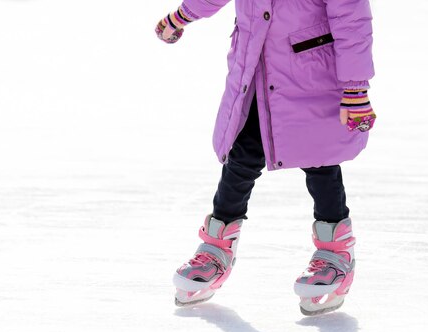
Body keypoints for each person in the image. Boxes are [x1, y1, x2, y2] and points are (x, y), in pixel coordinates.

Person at [156, 0, 376, 315]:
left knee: (320, 164)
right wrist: (182, 16)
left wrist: (356, 87)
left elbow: (351, 19)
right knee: (240, 161)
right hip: (255, 77)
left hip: (310, 80)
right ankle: (216, 248)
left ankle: (335, 253)